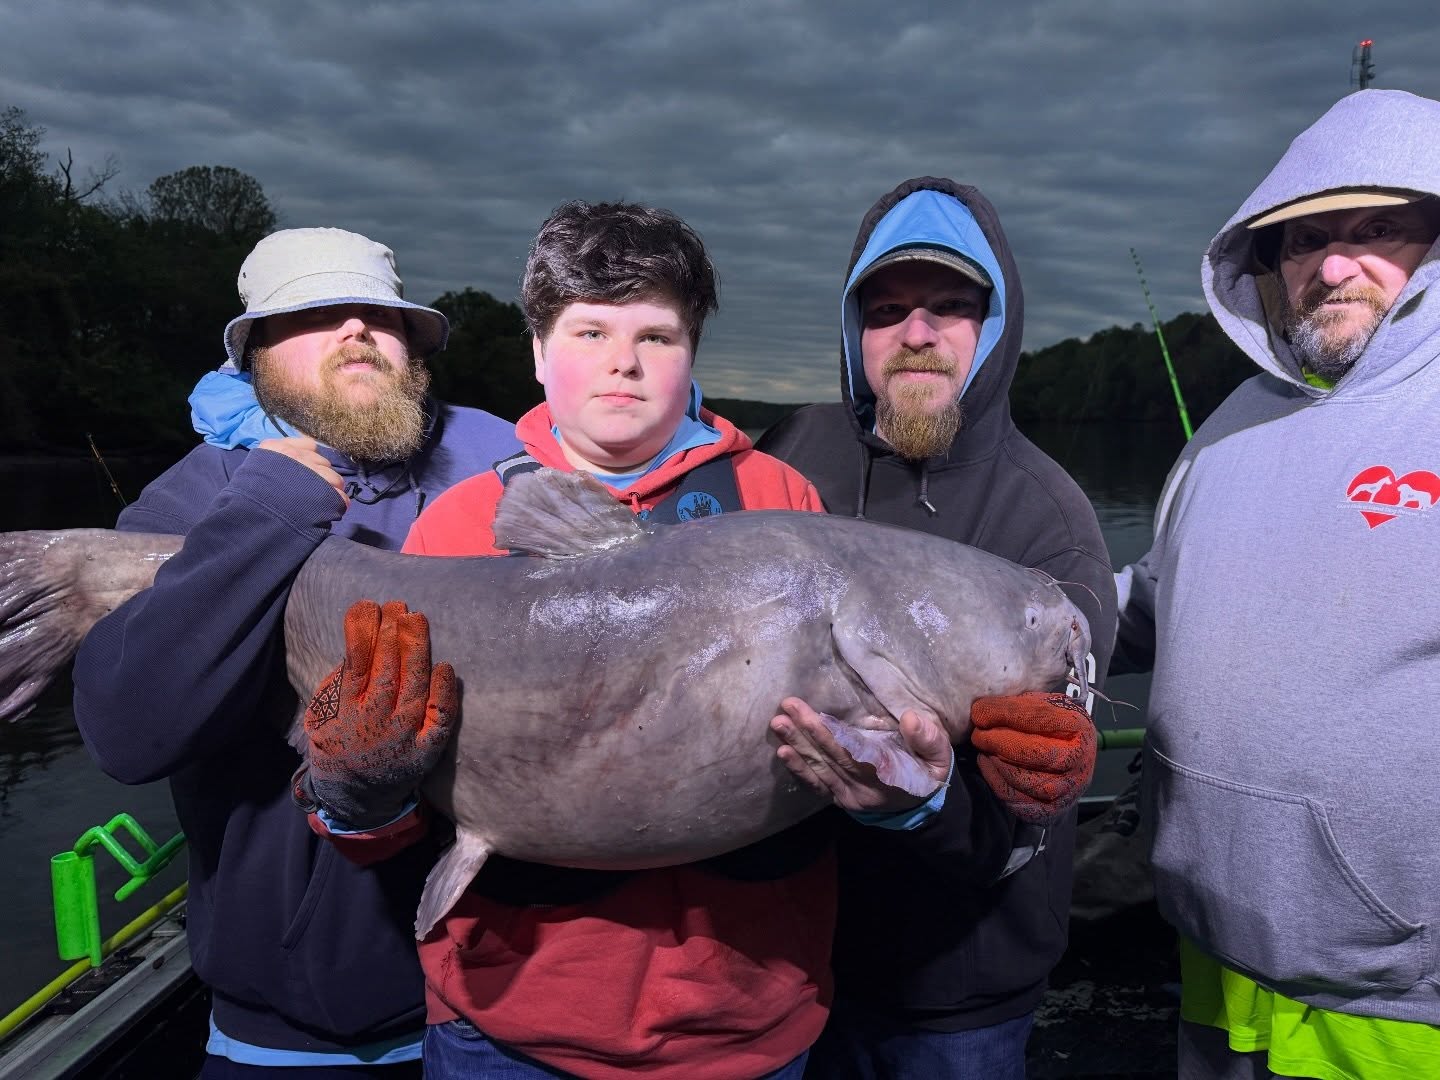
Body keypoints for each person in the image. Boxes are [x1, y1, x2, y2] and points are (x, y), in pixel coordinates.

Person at [296, 201, 843, 1080]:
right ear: (540, 353)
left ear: (692, 353)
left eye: (656, 336)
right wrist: (358, 789)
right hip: (504, 1027)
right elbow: (382, 831)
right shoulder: (459, 524)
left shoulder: (784, 503)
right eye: (589, 330)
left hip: (746, 1024)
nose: (623, 361)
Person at [70, 227, 519, 1076]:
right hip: (303, 1035)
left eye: (380, 317)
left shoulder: (496, 464)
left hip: (509, 1006)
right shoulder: (198, 495)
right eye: (316, 315)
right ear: (255, 356)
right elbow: (126, 732)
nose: (356, 330)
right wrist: (275, 503)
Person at [757, 177, 1118, 1078]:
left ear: (994, 329)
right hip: (788, 964)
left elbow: (1038, 797)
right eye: (886, 310)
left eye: (950, 306)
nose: (917, 334)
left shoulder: (1050, 524)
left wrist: (924, 804)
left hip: (956, 995)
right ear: (854, 330)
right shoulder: (787, 455)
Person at [1112, 88, 1440, 1080]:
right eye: (1305, 240)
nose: (1335, 265)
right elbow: (1150, 601)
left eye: (1379, 229)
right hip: (1216, 960)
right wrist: (999, 618)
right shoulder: (1231, 423)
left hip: (1400, 1012)